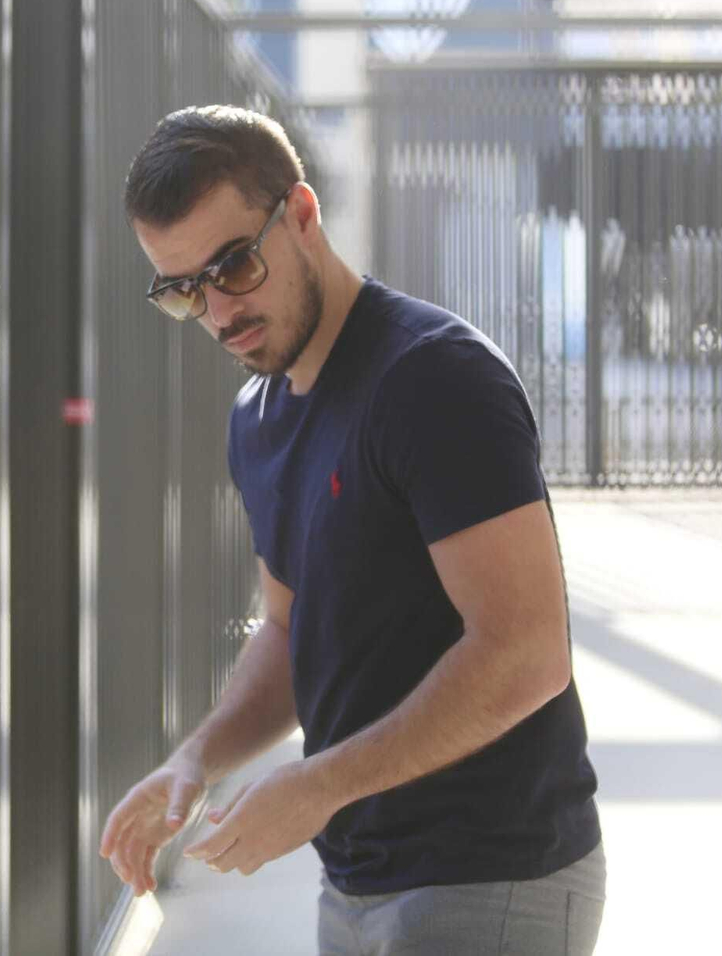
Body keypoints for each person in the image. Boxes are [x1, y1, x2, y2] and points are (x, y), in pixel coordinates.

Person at [97, 106, 605, 955]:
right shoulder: (256, 417)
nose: (219, 312)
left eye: (234, 265)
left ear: (301, 215)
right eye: (185, 289)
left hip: (493, 872)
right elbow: (293, 633)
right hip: (358, 879)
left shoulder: (433, 378)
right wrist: (198, 757)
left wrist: (314, 787)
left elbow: (526, 651)